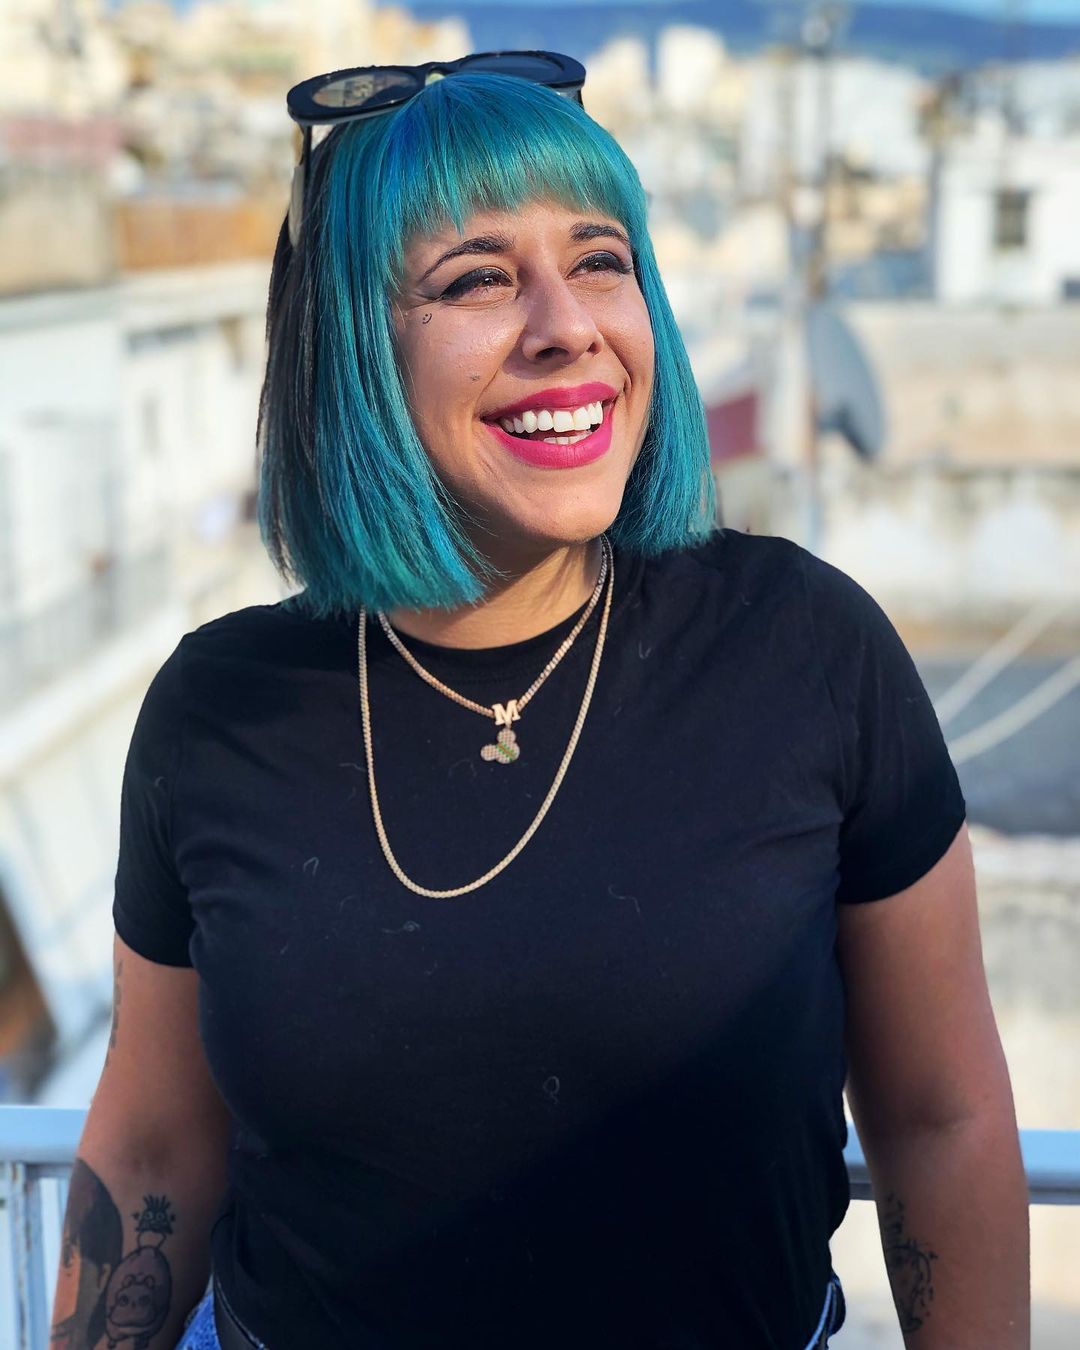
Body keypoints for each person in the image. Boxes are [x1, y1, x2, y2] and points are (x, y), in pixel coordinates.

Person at [51, 55, 1030, 1350]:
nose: (567, 325)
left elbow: (940, 1116)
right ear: (356, 351)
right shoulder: (215, 712)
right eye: (477, 280)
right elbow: (154, 1142)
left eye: (601, 261)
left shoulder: (808, 648)